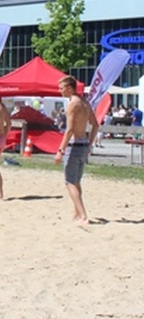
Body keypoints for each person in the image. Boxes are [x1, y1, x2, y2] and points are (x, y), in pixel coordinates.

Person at [55, 75, 99, 225]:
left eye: (61, 88)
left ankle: (83, 216)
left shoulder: (73, 104)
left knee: (69, 182)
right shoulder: (85, 102)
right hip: (83, 145)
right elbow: (95, 125)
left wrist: (60, 150)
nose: (59, 91)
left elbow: (69, 130)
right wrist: (90, 144)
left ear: (69, 88)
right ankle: (77, 212)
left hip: (74, 146)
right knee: (77, 181)